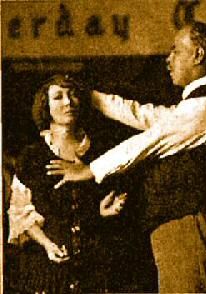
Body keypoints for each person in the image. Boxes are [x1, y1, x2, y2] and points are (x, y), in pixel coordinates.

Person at [46, 22, 206, 292]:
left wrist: (90, 170)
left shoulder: (202, 108)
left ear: (198, 55)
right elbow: (143, 114)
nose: (168, 59)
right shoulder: (194, 107)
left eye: (176, 51)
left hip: (187, 230)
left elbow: (146, 142)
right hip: (180, 228)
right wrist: (89, 96)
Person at [7, 74, 157, 293]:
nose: (68, 102)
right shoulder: (32, 157)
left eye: (73, 95)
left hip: (97, 267)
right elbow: (21, 212)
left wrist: (103, 213)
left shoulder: (103, 152)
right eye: (58, 97)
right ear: (45, 107)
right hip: (49, 272)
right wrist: (48, 244)